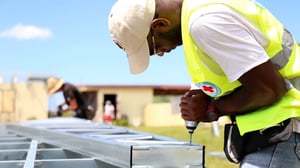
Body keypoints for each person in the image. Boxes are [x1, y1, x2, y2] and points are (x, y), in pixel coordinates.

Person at [108, 0, 300, 167]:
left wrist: (212, 109)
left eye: (157, 47)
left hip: (287, 126)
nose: (161, 53)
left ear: (160, 25)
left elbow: (268, 89)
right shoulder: (201, 10)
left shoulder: (204, 22)